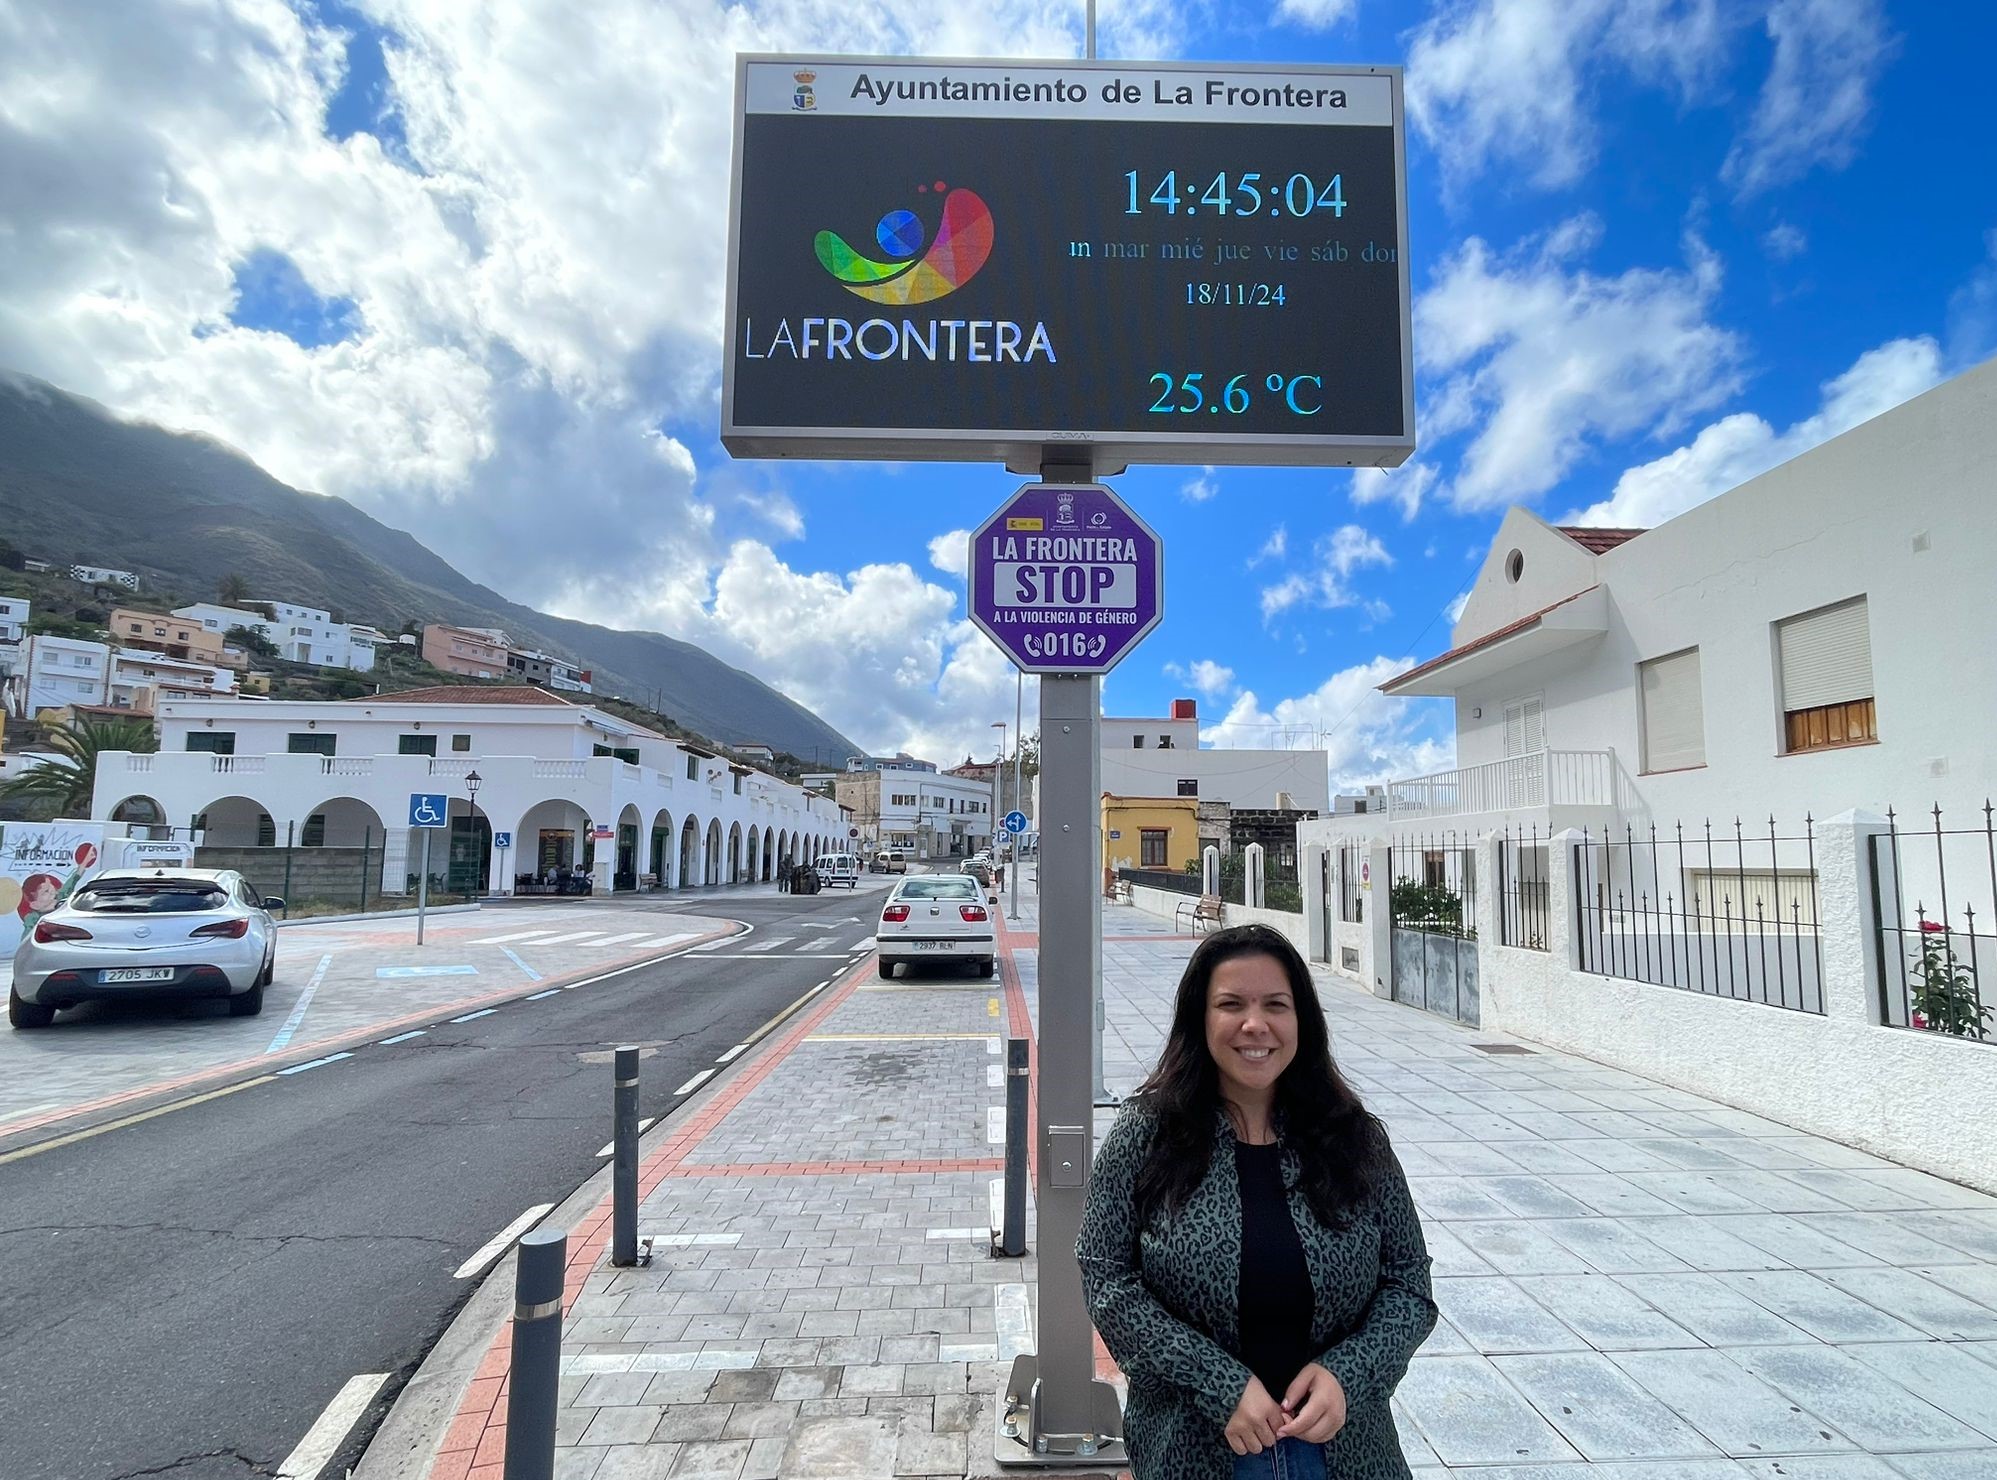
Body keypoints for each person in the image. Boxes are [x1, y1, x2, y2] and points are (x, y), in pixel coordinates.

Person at [1078, 924, 1435, 1480]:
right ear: (1200, 1019)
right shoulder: (1147, 1135)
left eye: (1276, 1005)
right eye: (1230, 1004)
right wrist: (1219, 1383)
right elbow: (1105, 1279)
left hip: (1345, 1450)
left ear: (1302, 1021)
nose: (1255, 1025)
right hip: (1195, 1449)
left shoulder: (1354, 1138)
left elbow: (1410, 1280)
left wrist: (1349, 1375)